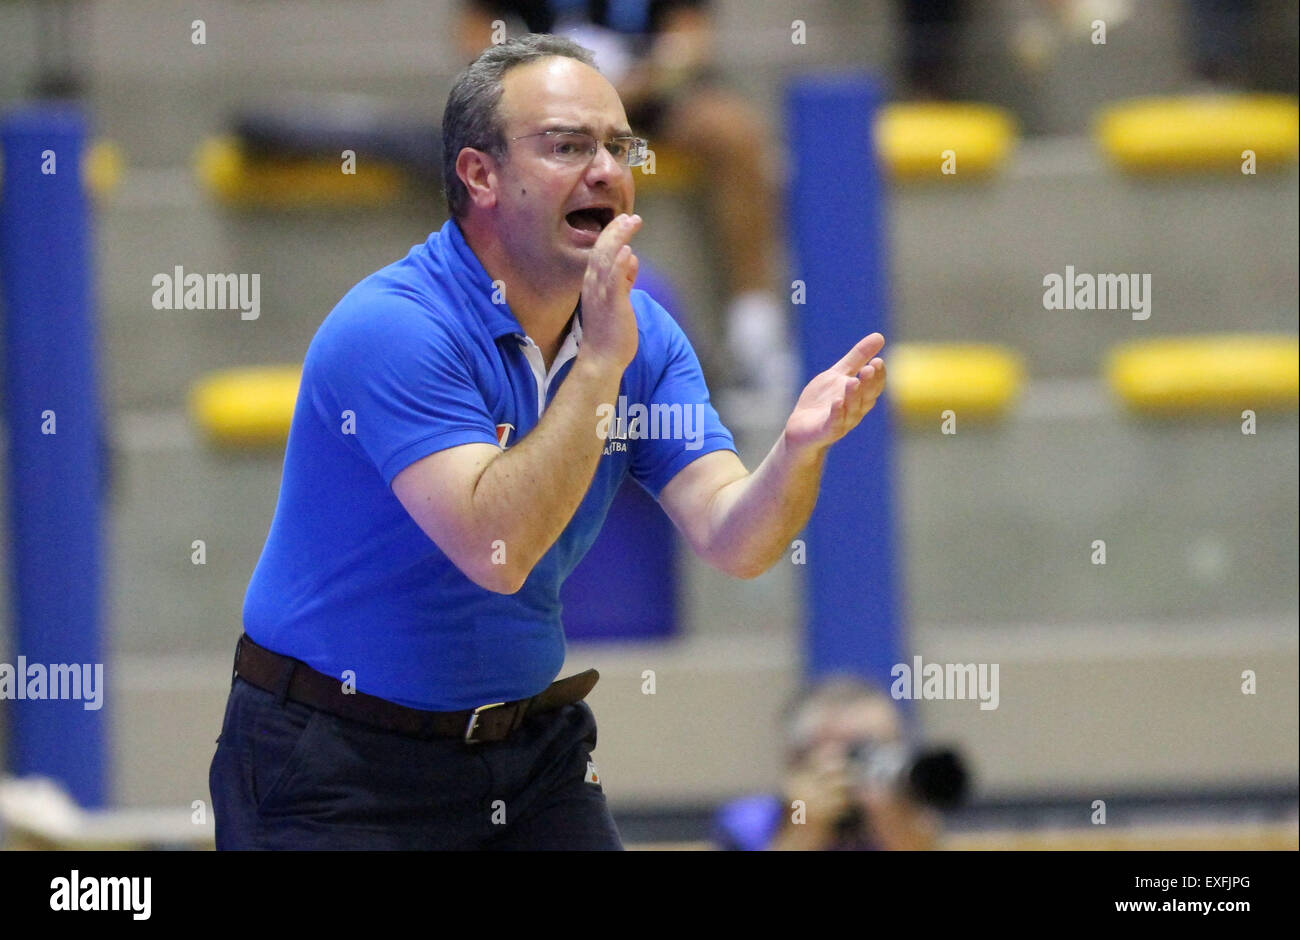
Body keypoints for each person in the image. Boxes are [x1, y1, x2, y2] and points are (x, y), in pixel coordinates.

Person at [208, 34, 887, 850]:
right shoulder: (395, 329)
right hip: (334, 761)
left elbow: (733, 537)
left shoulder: (645, 336)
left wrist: (797, 454)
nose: (605, 168)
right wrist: (599, 364)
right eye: (567, 146)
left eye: (617, 145)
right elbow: (496, 552)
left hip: (526, 756)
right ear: (479, 175)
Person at [457, 1, 795, 403]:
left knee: (733, 133)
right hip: (545, 104)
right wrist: (539, 85)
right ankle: (496, 322)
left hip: (649, 96)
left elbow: (689, 38)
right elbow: (477, 35)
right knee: (487, 136)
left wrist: (624, 87)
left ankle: (753, 327)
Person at [716, 677, 940, 851]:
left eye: (887, 746)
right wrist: (803, 825)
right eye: (858, 750)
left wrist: (896, 827)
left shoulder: (909, 819)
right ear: (797, 760)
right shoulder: (753, 821)